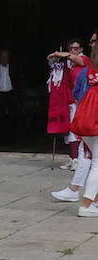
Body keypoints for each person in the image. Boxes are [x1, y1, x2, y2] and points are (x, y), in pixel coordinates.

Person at [48, 38, 91, 201]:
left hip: (85, 102)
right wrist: (55, 59)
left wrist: (63, 54)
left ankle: (79, 193)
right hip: (74, 99)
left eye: (77, 48)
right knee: (82, 145)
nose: (74, 51)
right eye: (71, 48)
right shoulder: (68, 63)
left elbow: (77, 59)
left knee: (86, 146)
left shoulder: (85, 59)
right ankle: (75, 187)